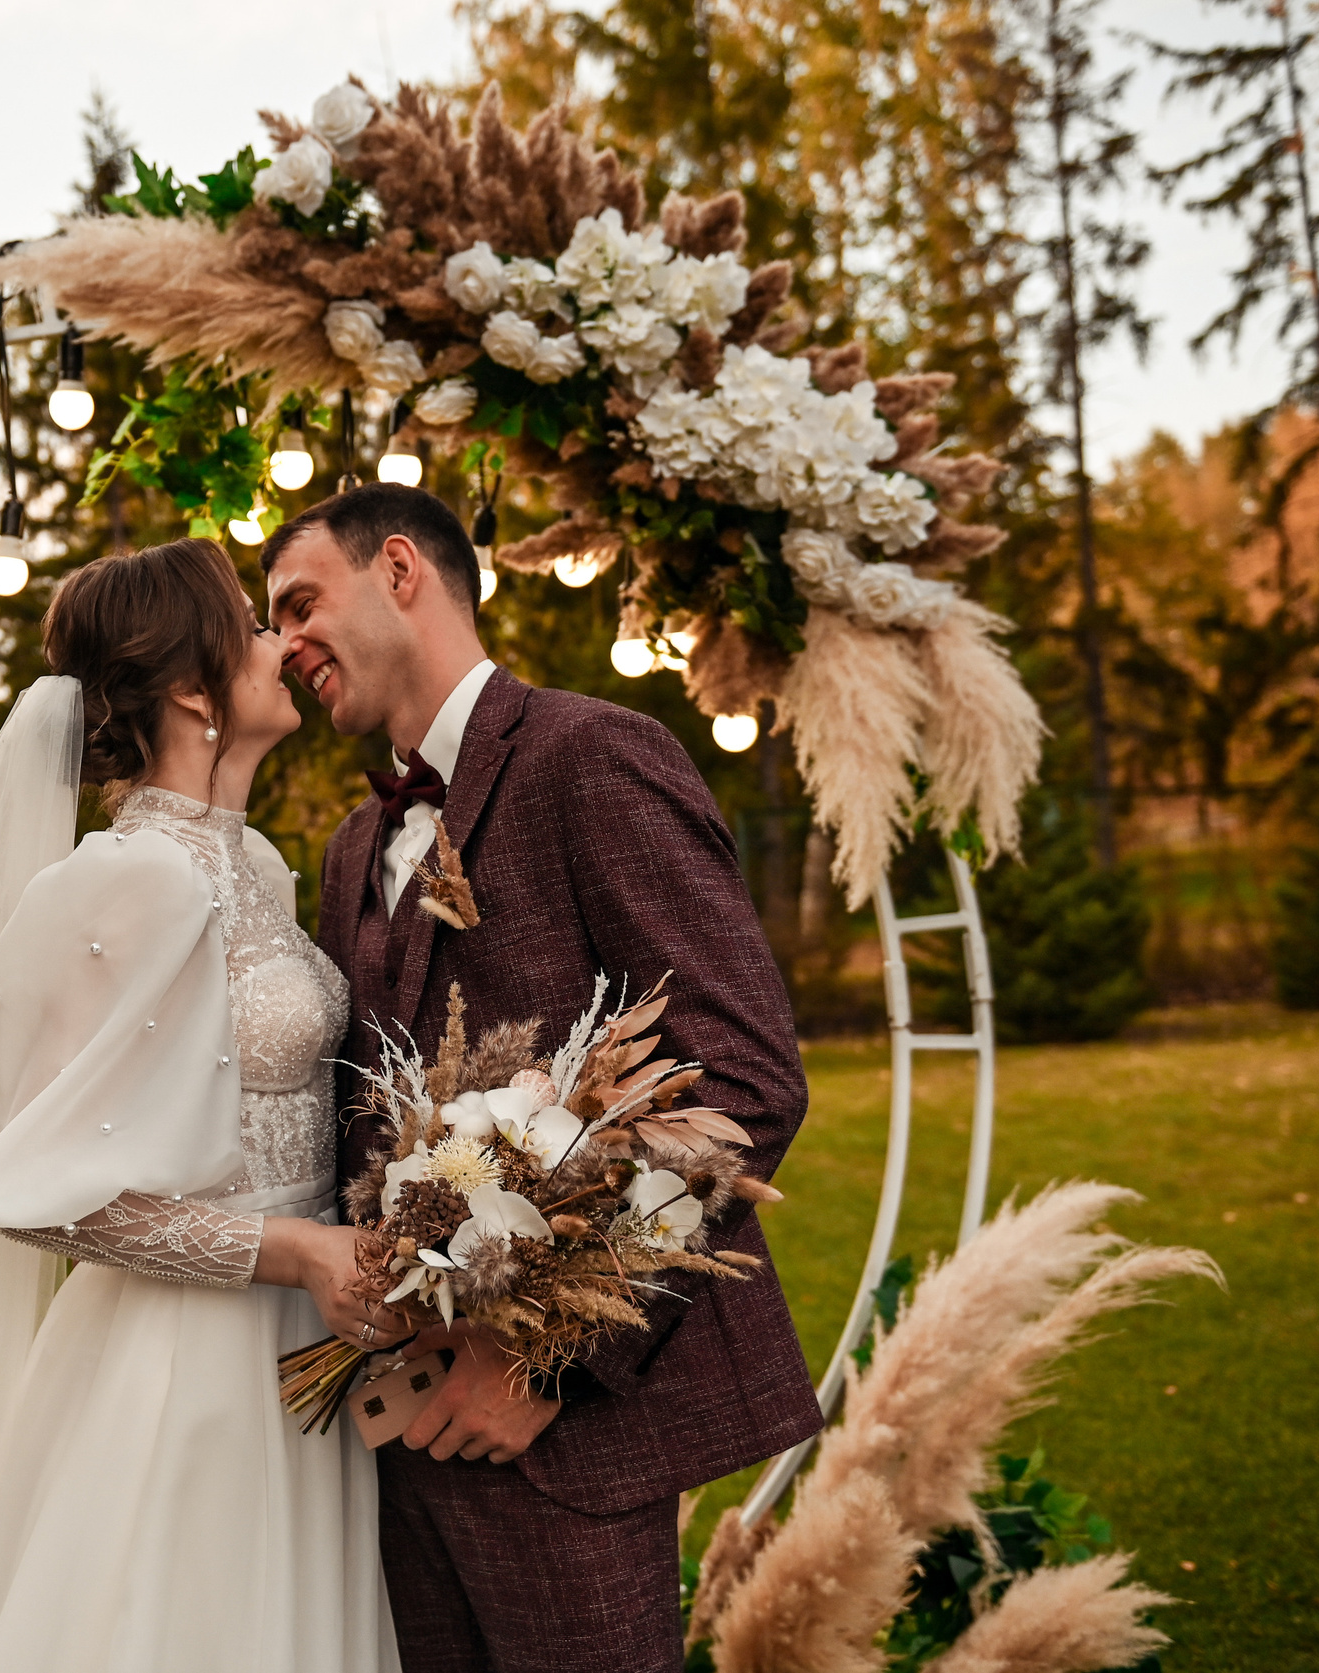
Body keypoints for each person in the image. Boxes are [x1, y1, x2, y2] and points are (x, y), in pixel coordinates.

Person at [264, 484, 825, 1673]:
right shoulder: (350, 849)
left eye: (300, 602)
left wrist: (544, 1356)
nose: (283, 643)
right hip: (394, 1438)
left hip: (568, 1444)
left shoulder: (593, 754)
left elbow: (744, 1078)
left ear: (400, 569)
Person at [0, 537, 402, 1672]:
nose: (283, 643)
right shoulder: (121, 880)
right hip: (184, 1371)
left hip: (309, 1352)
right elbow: (40, 1201)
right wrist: (293, 1247)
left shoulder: (251, 863)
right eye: (255, 628)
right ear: (192, 685)